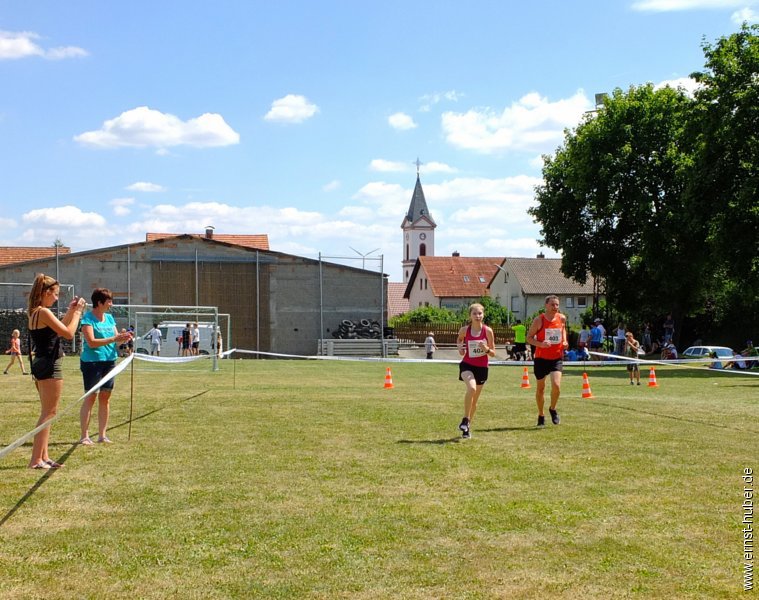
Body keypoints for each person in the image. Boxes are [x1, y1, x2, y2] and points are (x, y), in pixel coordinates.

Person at [27, 273, 86, 469]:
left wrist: (70, 312)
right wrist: (78, 313)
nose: (57, 298)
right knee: (48, 412)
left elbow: (58, 329)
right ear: (45, 292)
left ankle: (43, 456)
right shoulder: (43, 312)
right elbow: (68, 333)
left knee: (48, 412)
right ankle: (36, 459)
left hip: (41, 364)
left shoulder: (36, 312)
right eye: (55, 294)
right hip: (50, 366)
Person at [79, 288, 132, 445]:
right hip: (92, 362)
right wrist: (114, 338)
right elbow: (92, 342)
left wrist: (124, 338)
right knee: (91, 397)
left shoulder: (109, 318)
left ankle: (102, 435)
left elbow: (116, 341)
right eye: (109, 301)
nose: (111, 304)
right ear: (99, 302)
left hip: (109, 362)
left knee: (105, 397)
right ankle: (84, 436)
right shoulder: (87, 319)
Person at [526, 294, 568, 427]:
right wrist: (541, 344)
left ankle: (553, 409)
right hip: (541, 358)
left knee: (556, 385)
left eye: (557, 304)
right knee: (541, 389)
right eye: (552, 304)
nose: (555, 307)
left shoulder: (561, 318)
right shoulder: (539, 320)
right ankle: (541, 414)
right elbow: (529, 338)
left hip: (556, 357)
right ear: (546, 305)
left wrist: (565, 340)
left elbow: (563, 330)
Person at [456, 303, 496, 440]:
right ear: (470, 316)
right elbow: (459, 339)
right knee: (471, 388)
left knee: (474, 402)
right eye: (475, 314)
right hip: (467, 365)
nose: (477, 316)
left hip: (482, 368)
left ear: (483, 315)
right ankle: (465, 419)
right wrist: (460, 348)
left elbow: (493, 353)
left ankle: (467, 427)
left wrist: (486, 349)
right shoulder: (465, 330)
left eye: (480, 313)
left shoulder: (488, 331)